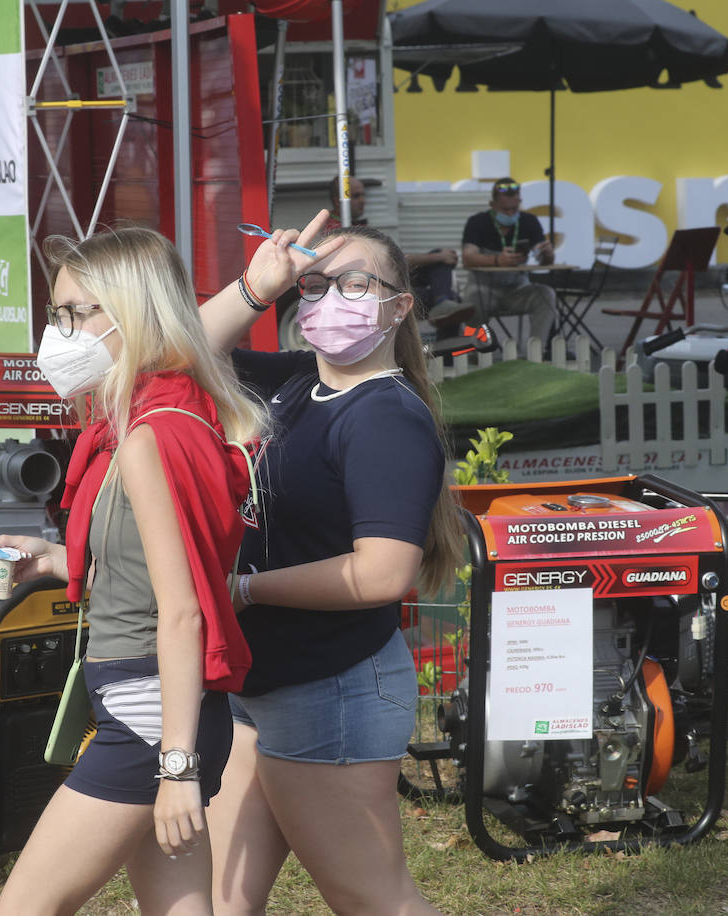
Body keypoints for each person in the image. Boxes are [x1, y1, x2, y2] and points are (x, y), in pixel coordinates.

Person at [0, 226, 268, 915]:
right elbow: (156, 567)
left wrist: (176, 766)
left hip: (153, 714)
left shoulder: (151, 434)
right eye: (58, 314)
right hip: (161, 707)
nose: (60, 333)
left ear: (135, 314)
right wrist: (55, 561)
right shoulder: (154, 419)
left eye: (76, 314)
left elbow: (183, 611)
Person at [200, 212, 460, 915]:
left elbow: (381, 574)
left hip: (330, 694)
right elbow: (176, 352)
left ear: (398, 305)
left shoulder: (384, 418)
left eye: (353, 283)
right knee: (219, 901)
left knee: (373, 899)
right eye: (314, 285)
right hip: (264, 686)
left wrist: (247, 588)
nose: (326, 299)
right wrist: (257, 288)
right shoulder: (297, 384)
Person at [326, 175, 465, 325]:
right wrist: (439, 257)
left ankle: (443, 303)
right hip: (377, 290)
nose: (363, 200)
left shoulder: (353, 226)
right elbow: (390, 262)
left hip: (385, 281)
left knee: (442, 289)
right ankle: (444, 307)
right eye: (356, 196)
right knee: (449, 297)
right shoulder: (337, 231)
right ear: (338, 201)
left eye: (363, 195)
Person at [445, 176, 558, 348]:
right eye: (505, 210)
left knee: (546, 294)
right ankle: (475, 349)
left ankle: (537, 350)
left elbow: (544, 259)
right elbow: (468, 258)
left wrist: (548, 254)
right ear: (492, 204)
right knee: (472, 299)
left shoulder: (529, 221)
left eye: (515, 208)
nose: (511, 214)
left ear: (520, 202)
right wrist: (497, 260)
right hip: (484, 288)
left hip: (518, 289)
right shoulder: (477, 222)